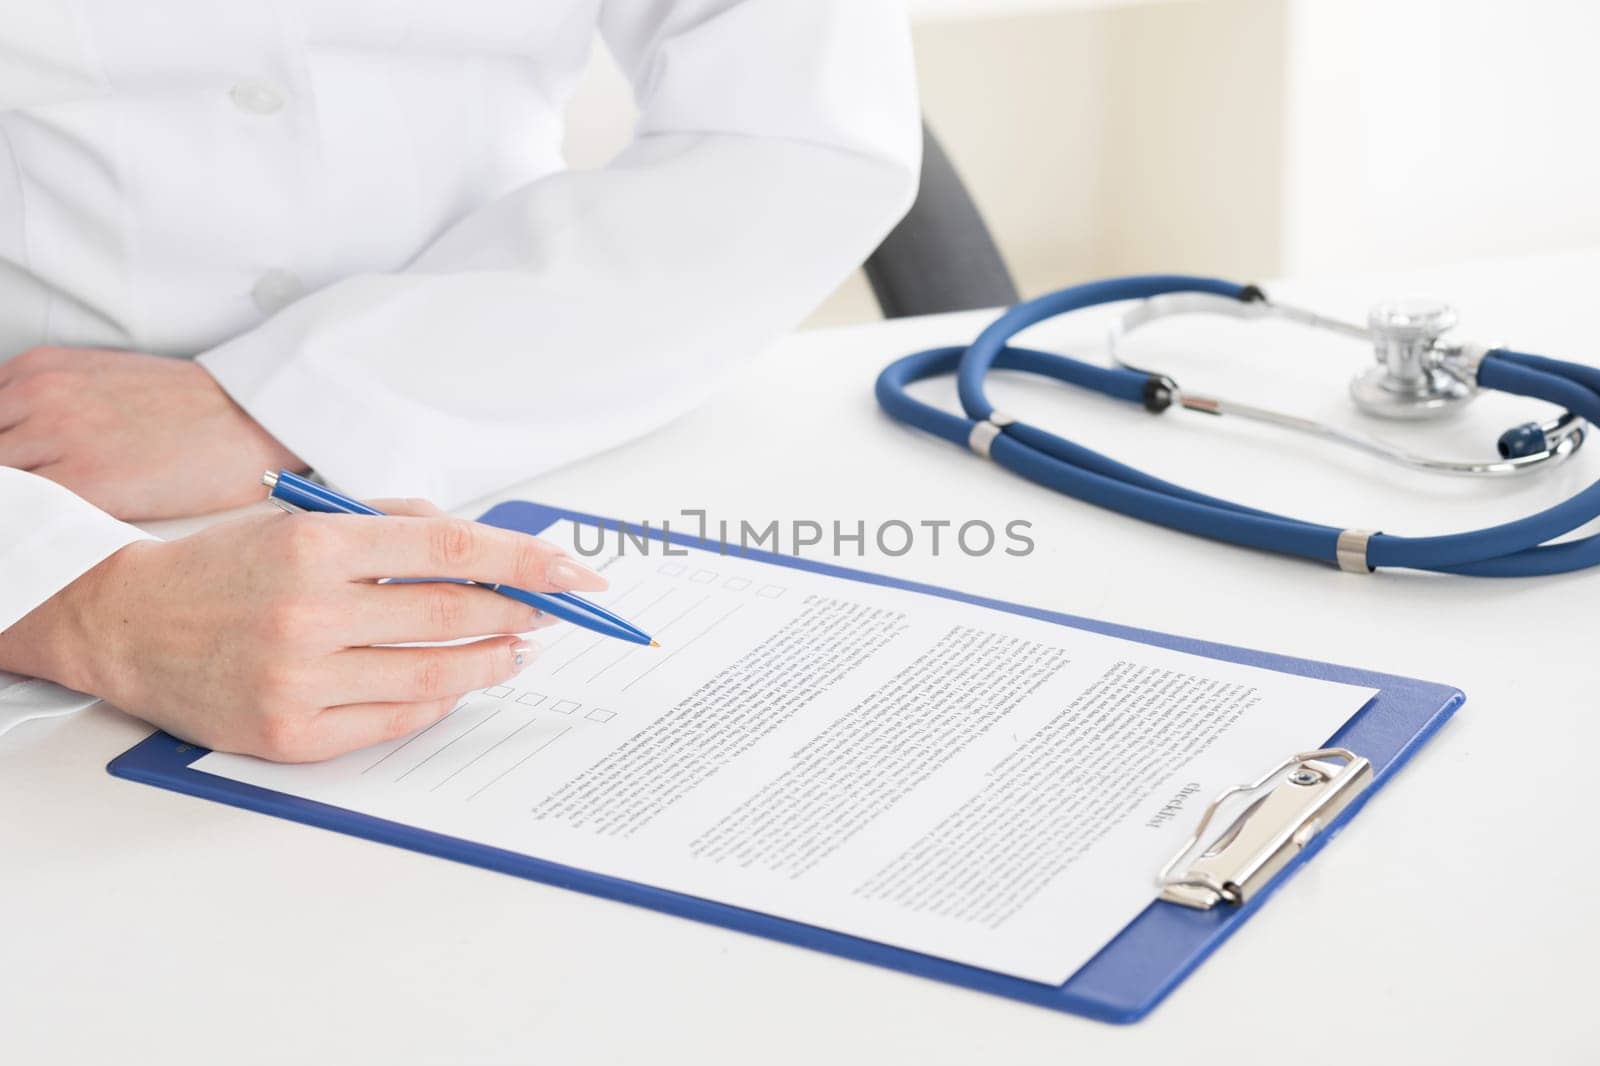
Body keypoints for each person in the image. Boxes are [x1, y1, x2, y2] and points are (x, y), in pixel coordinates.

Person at [0, 1, 920, 760]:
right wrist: (79, 606)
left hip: (525, 397)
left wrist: (276, 402)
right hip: (42, 487)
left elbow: (803, 133)